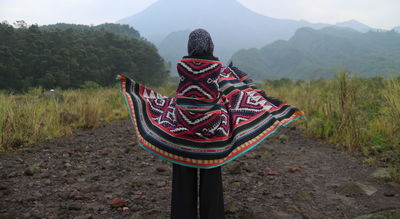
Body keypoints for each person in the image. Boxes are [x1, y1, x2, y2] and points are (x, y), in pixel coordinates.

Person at [117, 29, 305, 218]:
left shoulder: (182, 65)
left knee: (182, 178)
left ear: (190, 45)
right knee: (211, 180)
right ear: (210, 45)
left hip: (182, 133)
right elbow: (227, 87)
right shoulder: (217, 67)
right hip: (212, 134)